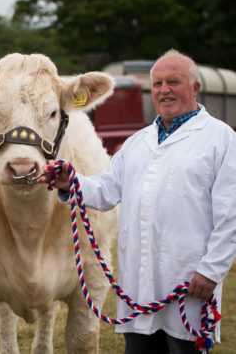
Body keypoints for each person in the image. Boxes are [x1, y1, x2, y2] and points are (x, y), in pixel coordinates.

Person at [39, 49, 236, 353]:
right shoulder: (136, 143)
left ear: (194, 88)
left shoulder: (221, 139)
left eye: (174, 82)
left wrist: (211, 270)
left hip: (189, 281)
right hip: (138, 286)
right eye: (157, 84)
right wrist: (72, 182)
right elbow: (105, 191)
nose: (164, 90)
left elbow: (231, 214)